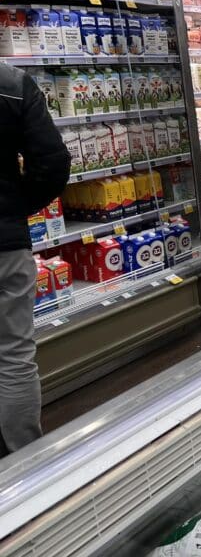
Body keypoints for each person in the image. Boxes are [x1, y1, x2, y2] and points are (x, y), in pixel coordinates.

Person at [0, 63, 71, 456]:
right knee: (14, 354)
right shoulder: (11, 82)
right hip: (5, 248)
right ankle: (24, 458)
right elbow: (53, 163)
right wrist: (15, 207)